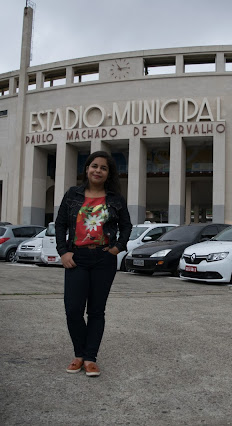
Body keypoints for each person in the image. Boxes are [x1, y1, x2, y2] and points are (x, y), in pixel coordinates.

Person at [55, 151, 132, 377]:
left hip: (103, 259)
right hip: (77, 258)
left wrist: (117, 248)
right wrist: (63, 252)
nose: (98, 170)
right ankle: (79, 353)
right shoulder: (72, 195)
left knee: (96, 311)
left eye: (103, 168)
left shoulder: (115, 199)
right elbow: (60, 225)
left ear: (109, 174)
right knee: (73, 310)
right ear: (87, 169)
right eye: (94, 166)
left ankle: (90, 358)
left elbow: (127, 226)